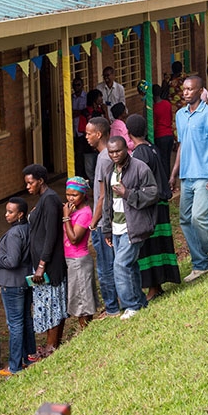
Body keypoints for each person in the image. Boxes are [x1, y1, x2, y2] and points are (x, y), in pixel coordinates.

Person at [168, 76, 208, 282]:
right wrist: (174, 173)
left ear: (200, 92)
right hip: (186, 176)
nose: (185, 93)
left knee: (198, 217)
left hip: (204, 174)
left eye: (190, 89)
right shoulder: (180, 115)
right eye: (184, 89)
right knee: (185, 220)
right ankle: (200, 263)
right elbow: (182, 145)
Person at [125, 114, 181, 300]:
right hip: (161, 204)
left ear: (128, 133)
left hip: (151, 207)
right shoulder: (152, 148)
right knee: (160, 244)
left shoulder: (139, 154)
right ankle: (158, 284)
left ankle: (153, 287)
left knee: (151, 246)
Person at [102, 137, 158, 319]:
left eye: (118, 151)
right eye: (111, 152)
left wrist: (128, 193)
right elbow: (107, 202)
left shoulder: (139, 167)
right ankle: (139, 301)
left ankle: (131, 305)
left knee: (120, 265)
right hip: (116, 226)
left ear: (127, 149)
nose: (115, 155)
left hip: (134, 225)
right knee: (129, 265)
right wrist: (107, 229)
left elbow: (152, 193)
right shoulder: (109, 170)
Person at [0, 197, 35, 377]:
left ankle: (14, 365)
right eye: (7, 211)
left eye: (10, 212)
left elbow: (13, 261)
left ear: (20, 214)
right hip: (24, 281)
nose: (6, 215)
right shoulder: (26, 229)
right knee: (25, 319)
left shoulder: (15, 233)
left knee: (15, 324)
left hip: (12, 283)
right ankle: (29, 356)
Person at [23, 164, 67, 349]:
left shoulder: (50, 200)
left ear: (40, 181)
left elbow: (51, 235)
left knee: (53, 303)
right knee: (46, 302)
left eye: (30, 183)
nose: (28, 187)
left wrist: (42, 264)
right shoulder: (43, 199)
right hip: (42, 262)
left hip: (49, 264)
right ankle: (51, 343)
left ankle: (52, 345)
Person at [84, 117, 119, 318]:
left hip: (104, 222)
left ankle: (112, 307)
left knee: (106, 266)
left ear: (98, 134)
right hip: (107, 220)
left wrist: (93, 223)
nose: (86, 136)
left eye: (89, 133)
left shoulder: (105, 158)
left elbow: (103, 196)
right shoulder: (105, 156)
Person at [61, 177, 96, 329]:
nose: (70, 198)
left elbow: (74, 238)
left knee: (83, 300)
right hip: (70, 260)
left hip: (79, 261)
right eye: (68, 195)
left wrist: (66, 217)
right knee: (78, 297)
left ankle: (85, 331)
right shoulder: (73, 210)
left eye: (74, 195)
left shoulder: (85, 213)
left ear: (83, 194)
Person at [152, 84, 175, 172]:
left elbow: (154, 124)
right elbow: (170, 117)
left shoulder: (154, 108)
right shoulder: (167, 104)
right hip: (169, 134)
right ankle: (169, 180)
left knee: (162, 160)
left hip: (160, 136)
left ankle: (165, 181)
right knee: (168, 160)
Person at [71, 77, 90, 179]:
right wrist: (79, 112)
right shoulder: (71, 97)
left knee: (82, 154)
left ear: (82, 85)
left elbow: (85, 112)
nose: (76, 87)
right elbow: (70, 113)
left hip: (83, 130)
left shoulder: (86, 97)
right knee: (76, 154)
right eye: (74, 85)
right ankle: (77, 174)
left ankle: (83, 175)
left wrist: (78, 112)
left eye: (78, 85)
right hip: (73, 130)